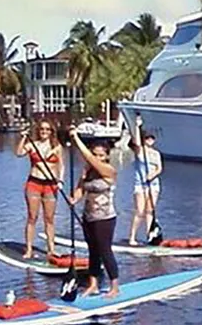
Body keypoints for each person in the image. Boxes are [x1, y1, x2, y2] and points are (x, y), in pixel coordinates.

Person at [68, 128, 120, 298]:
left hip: (105, 218)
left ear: (106, 156)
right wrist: (74, 199)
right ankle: (93, 285)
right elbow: (80, 189)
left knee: (105, 250)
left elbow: (88, 158)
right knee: (93, 251)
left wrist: (76, 139)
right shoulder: (87, 171)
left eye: (100, 155)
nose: (97, 158)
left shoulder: (109, 170)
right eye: (95, 154)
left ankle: (114, 286)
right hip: (88, 216)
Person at [14, 119, 63, 259]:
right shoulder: (32, 145)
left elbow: (61, 166)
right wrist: (23, 137)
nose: (44, 132)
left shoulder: (57, 147)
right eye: (42, 129)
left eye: (47, 129)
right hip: (34, 183)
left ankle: (51, 249)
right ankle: (28, 249)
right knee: (32, 217)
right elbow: (18, 153)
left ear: (51, 132)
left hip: (50, 185)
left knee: (49, 218)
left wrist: (61, 180)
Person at [127, 115, 162, 245]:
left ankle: (150, 237)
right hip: (140, 185)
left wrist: (152, 175)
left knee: (149, 211)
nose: (150, 140)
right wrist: (137, 125)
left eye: (152, 138)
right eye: (147, 138)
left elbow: (159, 168)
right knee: (140, 211)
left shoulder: (156, 153)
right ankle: (132, 237)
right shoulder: (140, 151)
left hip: (153, 184)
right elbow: (136, 141)